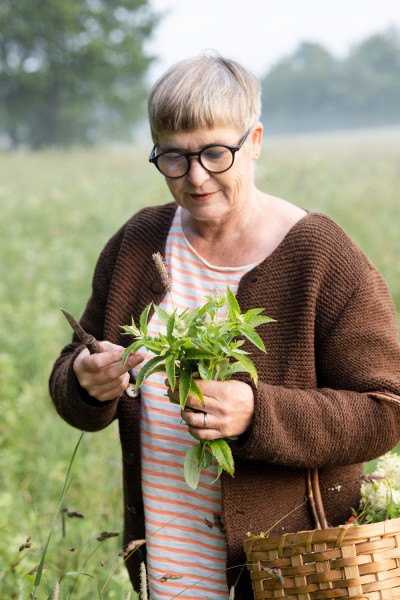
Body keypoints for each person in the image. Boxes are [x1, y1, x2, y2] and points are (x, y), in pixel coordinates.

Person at [49, 53, 400, 599]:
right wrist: (84, 380)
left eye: (215, 153)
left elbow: (387, 409)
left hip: (293, 573)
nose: (195, 177)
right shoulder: (138, 244)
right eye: (173, 156)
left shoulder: (321, 257)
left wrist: (259, 412)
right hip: (165, 568)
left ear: (255, 139)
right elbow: (74, 373)